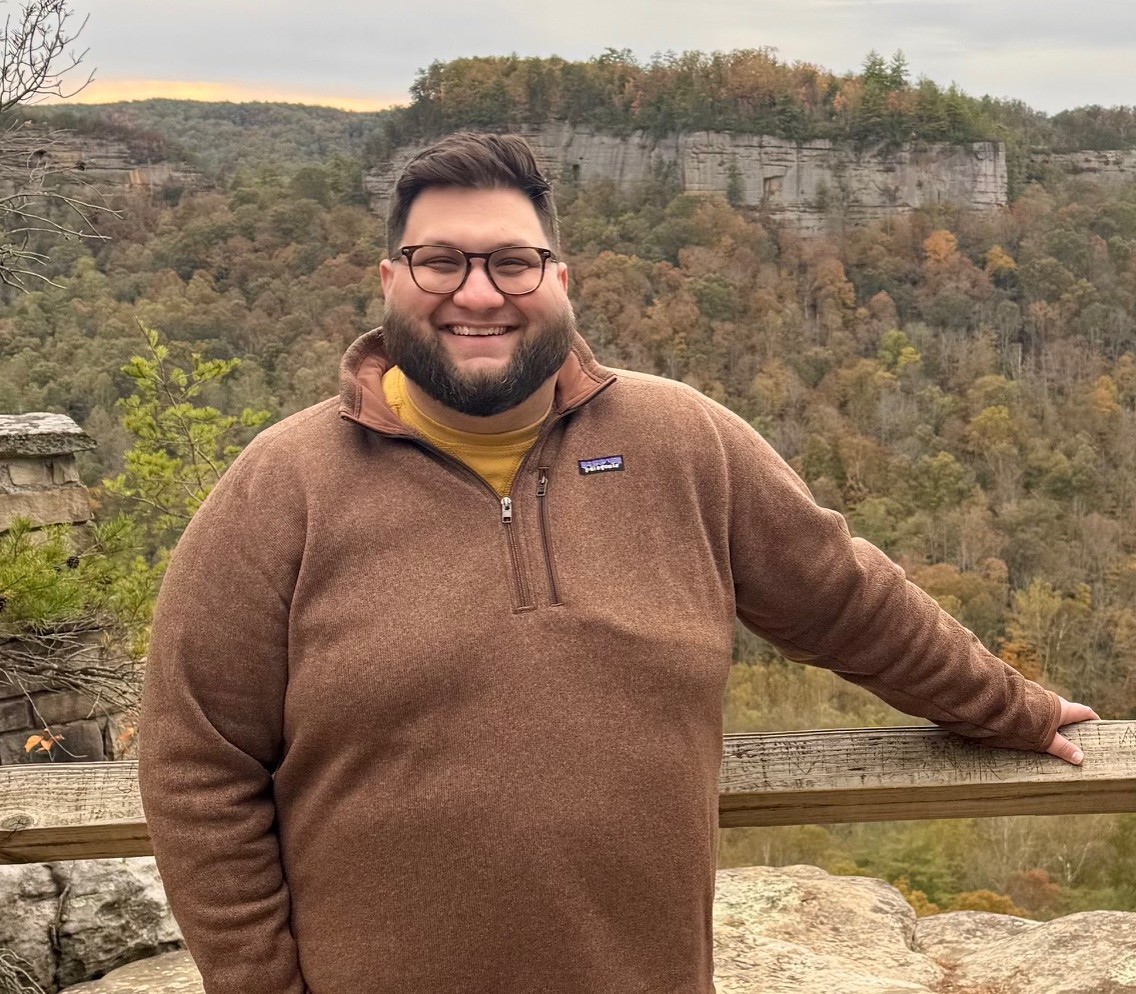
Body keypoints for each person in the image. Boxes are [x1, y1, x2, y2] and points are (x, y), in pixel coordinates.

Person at [138, 132, 1098, 994]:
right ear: (389, 278)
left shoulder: (680, 441)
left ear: (562, 279)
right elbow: (196, 764)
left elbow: (845, 599)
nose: (479, 293)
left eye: (514, 263)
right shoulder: (283, 487)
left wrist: (1008, 706)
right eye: (441, 262)